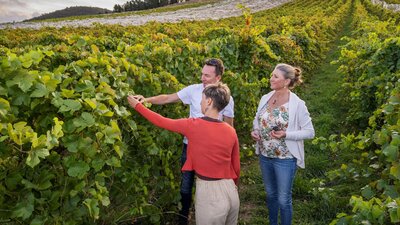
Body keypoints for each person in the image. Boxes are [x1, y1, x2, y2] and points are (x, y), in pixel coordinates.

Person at [133, 58, 234, 224]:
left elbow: (229, 128)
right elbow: (168, 98)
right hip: (190, 148)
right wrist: (146, 100)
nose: (202, 78)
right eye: (202, 74)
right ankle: (183, 219)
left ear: (218, 78)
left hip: (212, 152)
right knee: (185, 188)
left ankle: (210, 215)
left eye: (207, 76)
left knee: (208, 187)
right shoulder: (194, 90)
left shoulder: (226, 99)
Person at [250, 63, 315, 225]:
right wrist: (256, 130)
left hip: (285, 158)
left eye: (275, 76)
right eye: (272, 75)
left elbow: (309, 132)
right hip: (265, 156)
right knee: (270, 194)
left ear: (286, 81)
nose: (271, 78)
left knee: (283, 199)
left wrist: (286, 134)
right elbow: (258, 119)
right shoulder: (266, 98)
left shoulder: (298, 105)